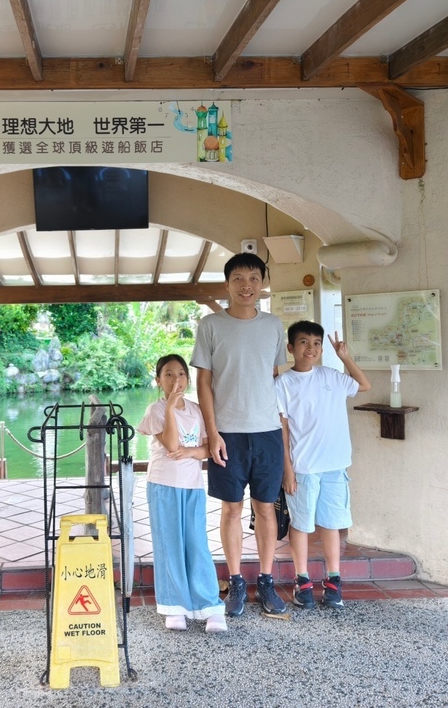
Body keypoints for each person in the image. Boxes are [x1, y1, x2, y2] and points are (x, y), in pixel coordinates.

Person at [190, 253, 288, 617]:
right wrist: (212, 432)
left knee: (265, 508)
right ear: (227, 284)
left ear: (262, 283)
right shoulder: (211, 325)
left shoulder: (273, 325)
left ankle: (266, 581)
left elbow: (277, 378)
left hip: (267, 432)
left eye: (253, 278)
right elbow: (203, 382)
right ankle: (235, 583)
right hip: (228, 433)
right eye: (239, 279)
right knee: (231, 509)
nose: (247, 286)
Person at [275, 320, 370, 609]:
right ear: (291, 347)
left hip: (335, 465)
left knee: (332, 523)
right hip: (303, 467)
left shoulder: (331, 376)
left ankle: (333, 579)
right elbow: (283, 431)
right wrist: (287, 470)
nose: (311, 348)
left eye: (316, 343)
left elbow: (364, 385)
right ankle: (302, 579)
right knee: (301, 524)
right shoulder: (283, 384)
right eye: (304, 342)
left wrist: (344, 357)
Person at [136, 354, 227, 633]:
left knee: (197, 544)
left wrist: (190, 452)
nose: (176, 379)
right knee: (170, 545)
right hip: (163, 485)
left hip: (192, 486)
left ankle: (209, 606)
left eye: (181, 374)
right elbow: (171, 444)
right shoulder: (156, 409)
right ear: (158, 380)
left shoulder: (197, 410)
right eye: (168, 374)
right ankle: (174, 607)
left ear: (188, 378)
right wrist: (170, 407)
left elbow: (208, 449)